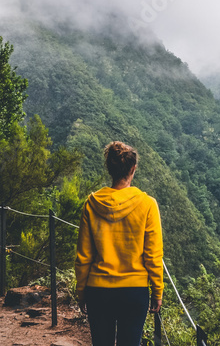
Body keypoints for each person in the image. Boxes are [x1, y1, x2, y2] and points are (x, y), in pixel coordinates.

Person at [75, 141, 164, 346]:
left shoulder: (92, 203)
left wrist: (82, 292)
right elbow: (153, 255)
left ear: (109, 168)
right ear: (133, 169)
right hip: (134, 290)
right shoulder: (147, 204)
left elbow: (83, 256)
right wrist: (157, 291)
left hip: (98, 290)